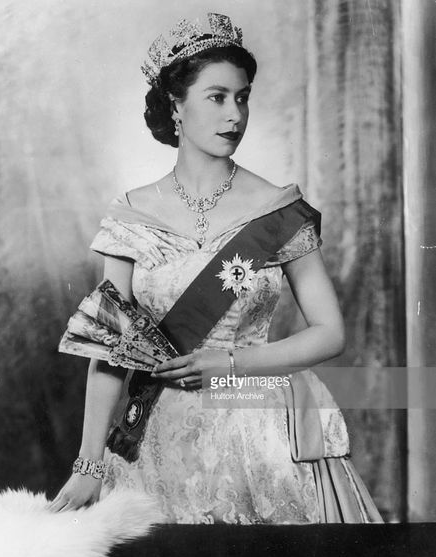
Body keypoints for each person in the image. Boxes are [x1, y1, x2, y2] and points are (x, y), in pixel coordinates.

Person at [48, 13, 382, 524]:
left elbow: (329, 333)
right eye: (217, 96)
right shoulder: (130, 216)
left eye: (242, 97)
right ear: (176, 105)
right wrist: (89, 463)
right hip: (158, 436)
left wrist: (228, 366)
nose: (235, 114)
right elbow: (110, 349)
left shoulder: (276, 209)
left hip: (260, 426)